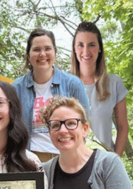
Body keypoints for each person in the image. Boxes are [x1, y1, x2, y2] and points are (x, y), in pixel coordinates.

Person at [12, 28, 90, 163]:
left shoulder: (72, 84)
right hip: (29, 158)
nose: (42, 54)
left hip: (66, 155)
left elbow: (83, 122)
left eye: (47, 48)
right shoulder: (16, 89)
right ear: (28, 55)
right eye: (36, 49)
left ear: (55, 52)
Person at [71, 21, 129, 156]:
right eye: (80, 45)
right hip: (72, 163)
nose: (86, 51)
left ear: (99, 48)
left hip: (104, 162)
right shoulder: (64, 84)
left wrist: (115, 161)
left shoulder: (114, 84)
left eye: (91, 45)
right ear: (74, 48)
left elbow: (122, 127)